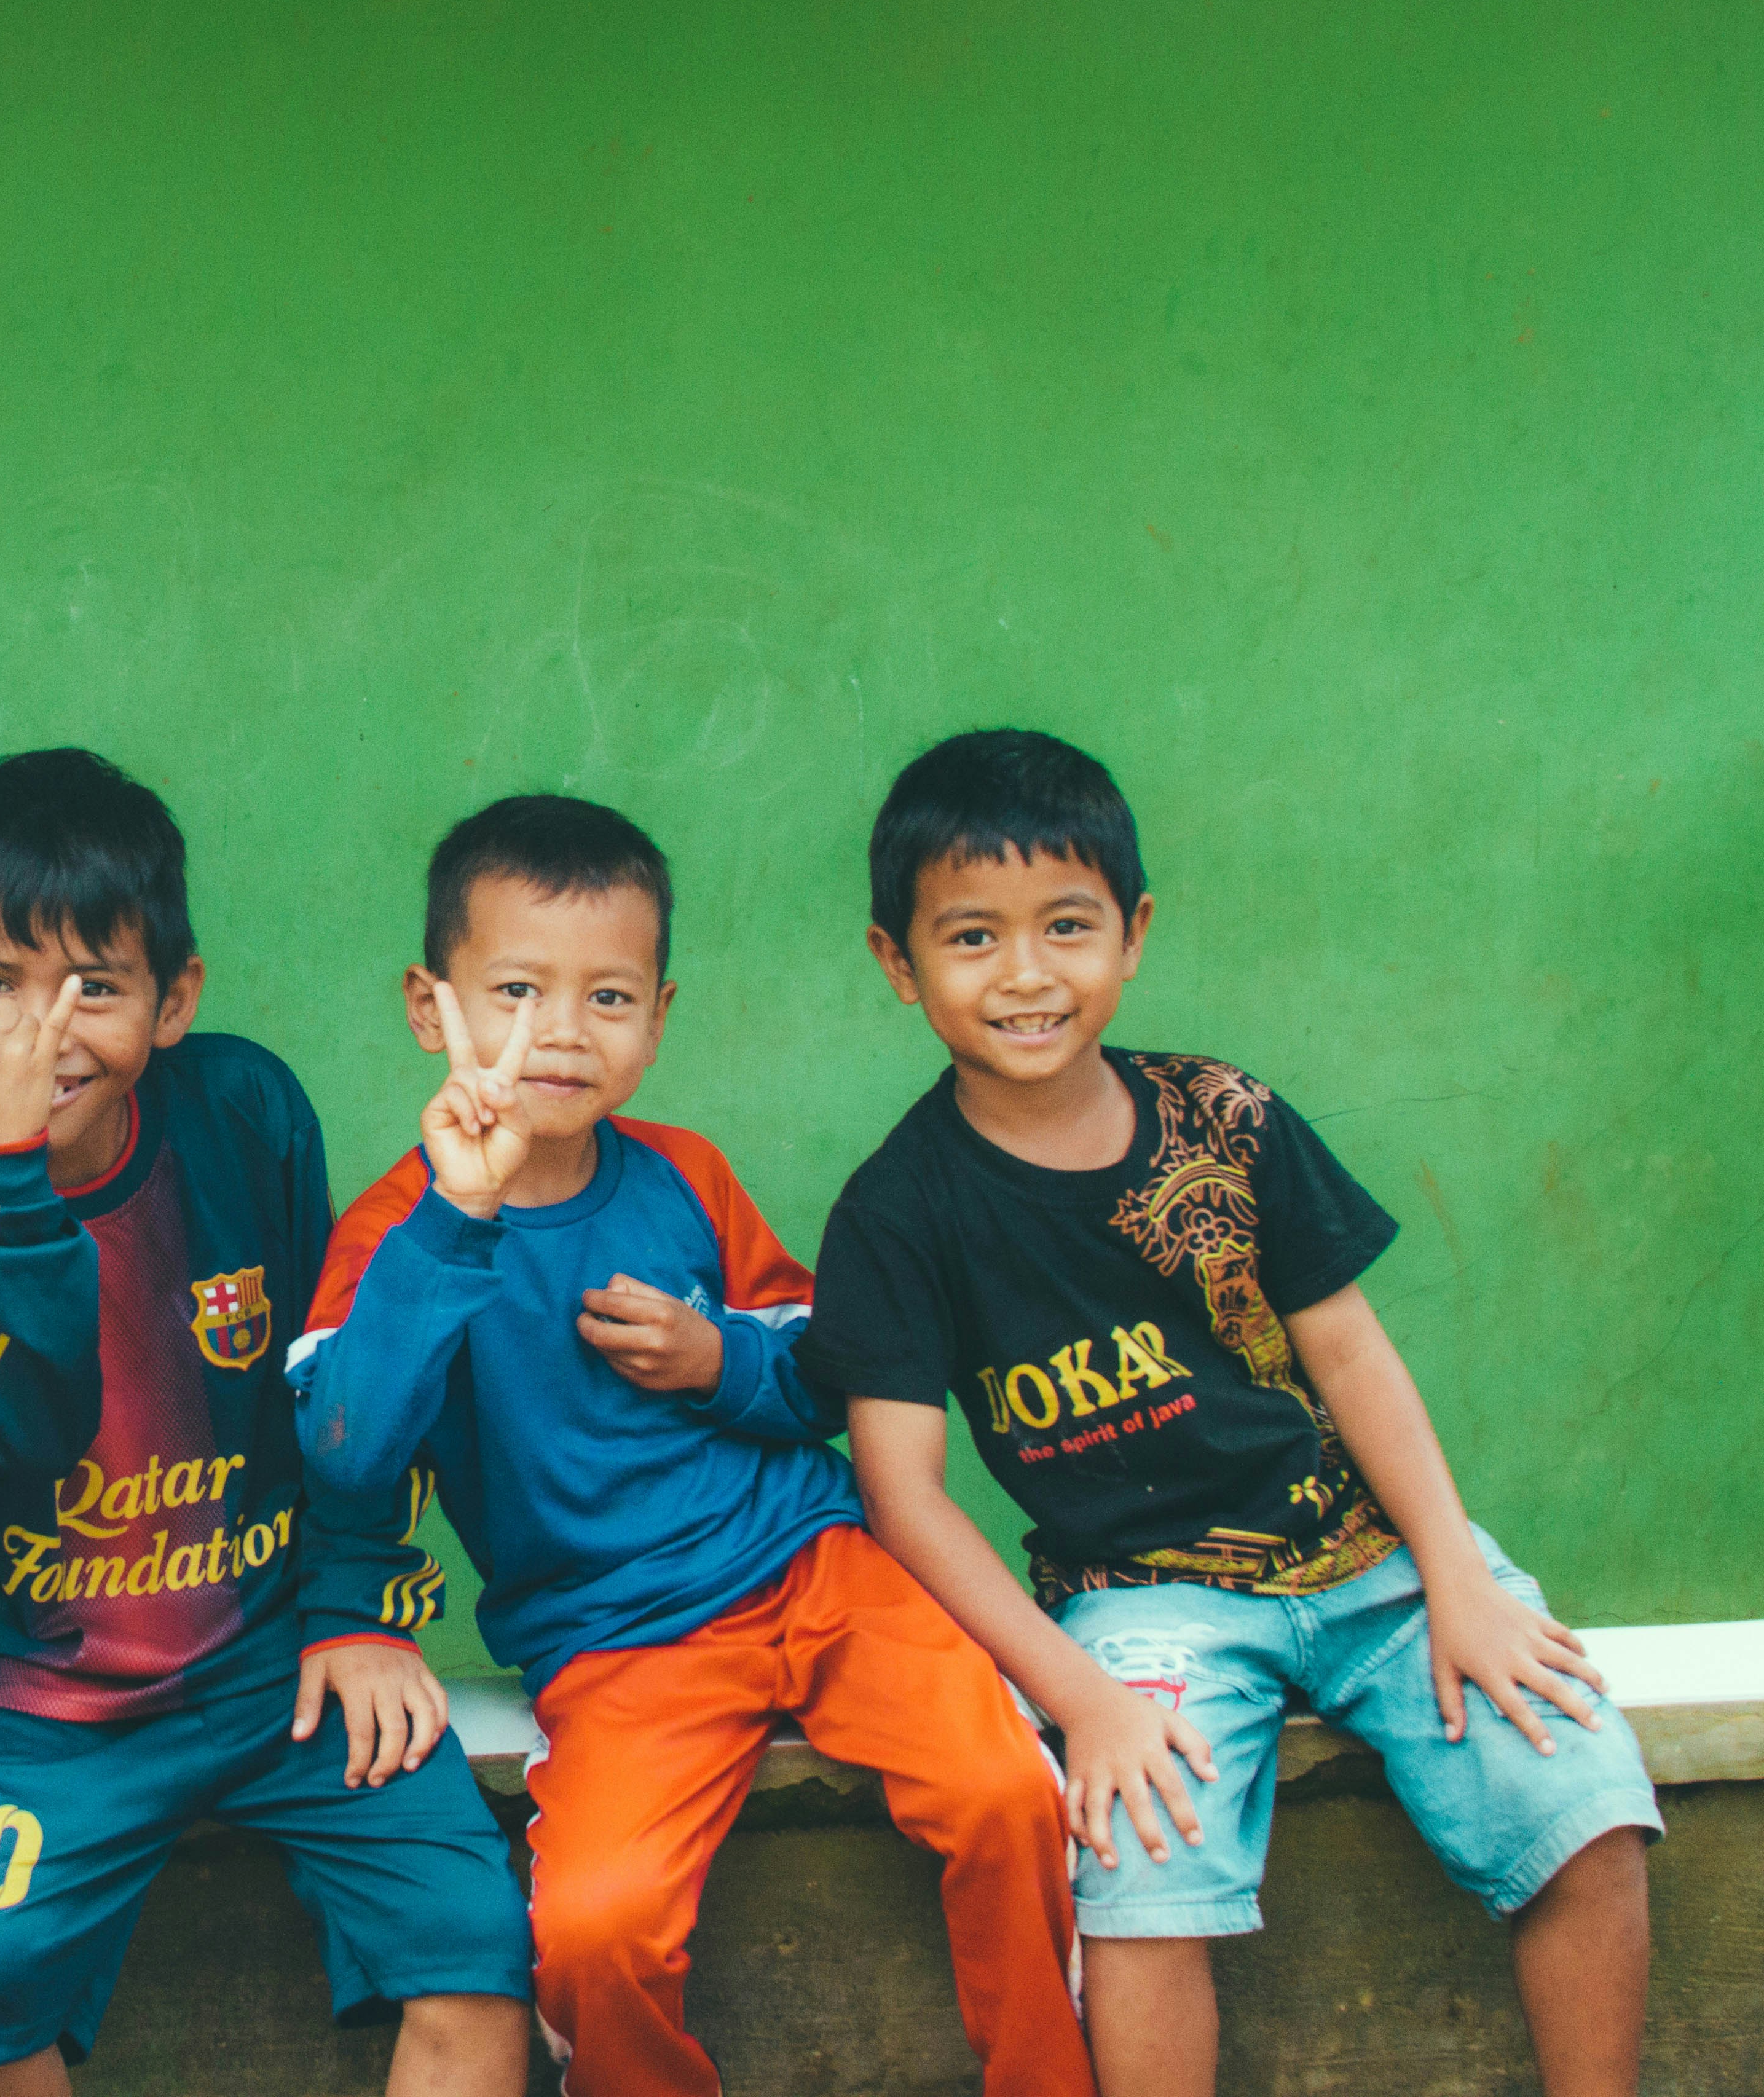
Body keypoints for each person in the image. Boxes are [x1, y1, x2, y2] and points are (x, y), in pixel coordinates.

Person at [800, 729, 1659, 2097]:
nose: (1027, 974)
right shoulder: (900, 1213)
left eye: (1067, 926)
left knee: (1580, 1794)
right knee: (1139, 1871)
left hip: (1369, 1556)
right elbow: (905, 1496)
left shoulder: (1229, 1119)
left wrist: (1454, 1571)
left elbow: (1352, 1355)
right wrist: (1079, 1699)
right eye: (973, 938)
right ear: (896, 966)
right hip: (1142, 1602)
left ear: (1133, 934)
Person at [293, 796, 1093, 2097]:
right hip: (617, 1646)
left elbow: (821, 1376)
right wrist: (457, 1217)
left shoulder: (684, 1177)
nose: (560, 1032)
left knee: (1008, 1795)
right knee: (596, 1931)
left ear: (658, 1020)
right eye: (515, 990)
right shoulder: (397, 1231)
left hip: (818, 1570)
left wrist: (721, 1360)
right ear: (430, 1007)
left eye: (608, 999)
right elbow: (346, 1448)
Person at [0, 750, 533, 2097]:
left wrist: (356, 1606)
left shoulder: (243, 1115)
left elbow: (344, 1396)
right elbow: (23, 1426)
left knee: (479, 1935)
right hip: (52, 1691)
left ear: (173, 999)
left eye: (95, 988)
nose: (40, 1035)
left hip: (276, 1662)